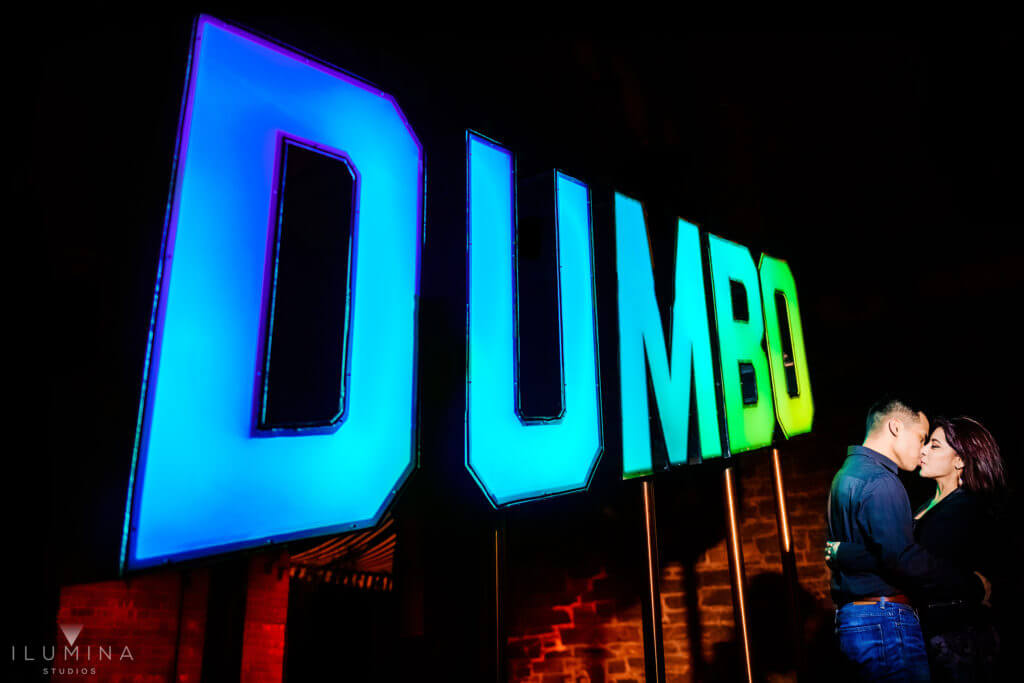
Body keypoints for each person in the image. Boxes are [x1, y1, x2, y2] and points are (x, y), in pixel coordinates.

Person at [828, 416, 1006, 681]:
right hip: (929, 633)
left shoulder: (965, 508)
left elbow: (906, 563)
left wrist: (846, 553)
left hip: (957, 637)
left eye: (934, 445)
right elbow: (898, 556)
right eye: (925, 442)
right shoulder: (925, 507)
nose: (923, 450)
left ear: (960, 460)